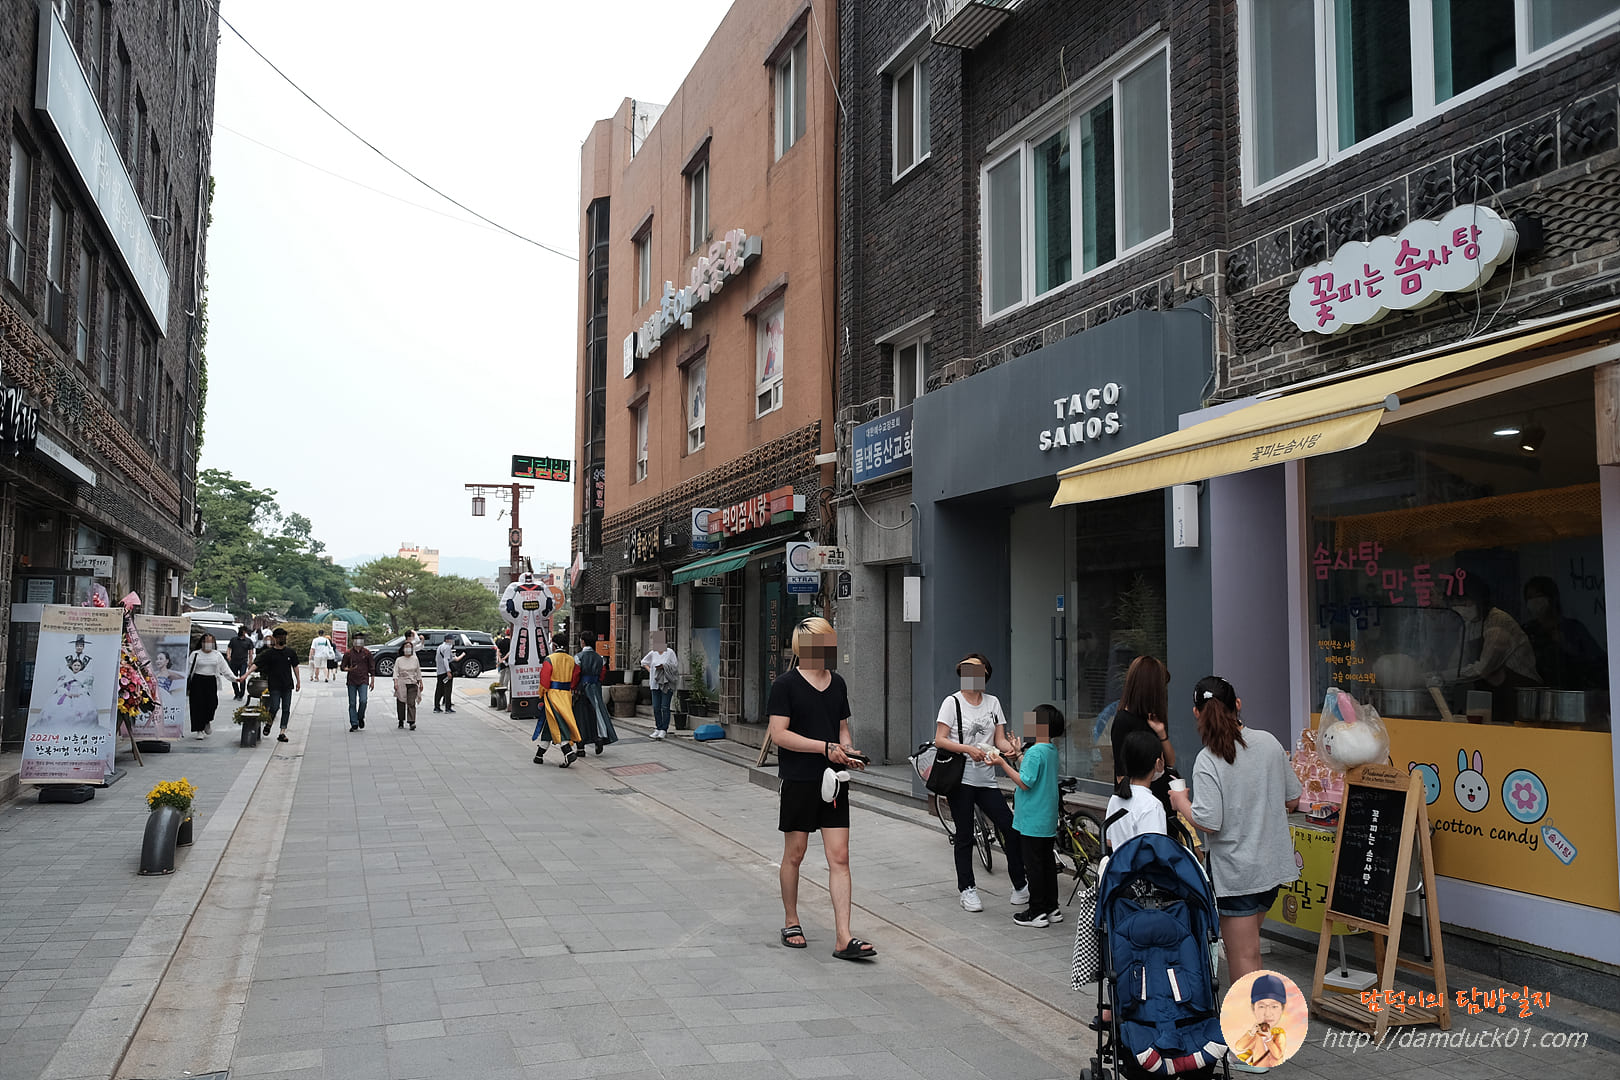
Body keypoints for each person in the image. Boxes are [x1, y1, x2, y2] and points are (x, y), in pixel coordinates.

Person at [1169, 677, 1300, 1015]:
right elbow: (1293, 799)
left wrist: (1181, 802)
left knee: (1245, 955)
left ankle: (1253, 1034)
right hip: (1271, 868)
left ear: (1196, 712)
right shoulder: (1269, 743)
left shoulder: (1208, 758)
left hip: (1237, 872)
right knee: (1249, 949)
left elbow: (1209, 821)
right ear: (1237, 704)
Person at [767, 617, 875, 960]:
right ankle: (791, 920)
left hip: (835, 782)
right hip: (799, 778)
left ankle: (843, 936)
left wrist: (849, 752)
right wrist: (824, 748)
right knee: (795, 854)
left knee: (840, 857)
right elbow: (779, 734)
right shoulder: (785, 685)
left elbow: (842, 729)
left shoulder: (838, 683)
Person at [933, 653, 1028, 913]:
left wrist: (1011, 750)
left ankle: (1020, 886)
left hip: (987, 779)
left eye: (977, 671)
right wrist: (967, 749)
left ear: (985, 674)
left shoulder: (993, 702)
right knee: (964, 835)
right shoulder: (952, 702)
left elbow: (999, 739)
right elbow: (940, 739)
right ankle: (967, 889)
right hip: (960, 779)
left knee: (1010, 828)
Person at [993, 704, 1064, 927]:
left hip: (1032, 818)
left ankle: (1036, 912)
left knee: (1033, 866)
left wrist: (1002, 762)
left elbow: (1025, 782)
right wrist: (1018, 755)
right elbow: (1032, 772)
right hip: (1047, 818)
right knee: (1047, 863)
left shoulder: (1035, 751)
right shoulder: (1050, 750)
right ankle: (1052, 908)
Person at [1441, 577, 1539, 722]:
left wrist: (1441, 676)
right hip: (1492, 696)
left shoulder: (1498, 622)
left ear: (1478, 599)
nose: (1459, 606)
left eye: (1464, 601)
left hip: (1520, 694)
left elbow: (1483, 669)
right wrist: (1440, 678)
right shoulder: (1468, 626)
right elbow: (1456, 664)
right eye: (1454, 602)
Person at [1522, 576, 1606, 691]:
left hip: (1570, 693)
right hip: (1537, 695)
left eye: (1538, 596)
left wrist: (1568, 647)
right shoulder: (1527, 631)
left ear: (1552, 598)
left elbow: (1598, 664)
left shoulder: (1573, 628)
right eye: (1529, 598)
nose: (1534, 602)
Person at [1110, 656, 1175, 804]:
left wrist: (1161, 733)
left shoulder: (1153, 717)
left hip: (1161, 796)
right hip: (1140, 801)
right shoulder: (1123, 720)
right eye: (1161, 687)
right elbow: (1121, 775)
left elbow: (1170, 761)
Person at [1106, 728, 1169, 851]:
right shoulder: (1151, 805)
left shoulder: (1115, 798)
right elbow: (1156, 850)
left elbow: (1109, 841)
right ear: (1158, 763)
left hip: (1120, 862)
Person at [532, 633, 585, 767]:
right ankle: (539, 754)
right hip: (566, 695)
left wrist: (541, 694)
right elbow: (575, 678)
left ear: (554, 645)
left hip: (552, 695)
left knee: (558, 722)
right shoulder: (571, 660)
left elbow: (544, 680)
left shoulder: (550, 659)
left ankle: (568, 752)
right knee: (552, 722)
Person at [245, 627, 301, 742]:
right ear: (274, 639)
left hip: (287, 685)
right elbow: (256, 664)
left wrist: (298, 681)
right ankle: (269, 724)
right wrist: (246, 674)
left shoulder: (290, 652)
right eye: (280, 637)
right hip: (274, 685)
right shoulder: (269, 653)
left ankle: (282, 732)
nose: (282, 639)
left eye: (284, 637)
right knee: (274, 707)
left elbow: (295, 666)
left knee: (286, 708)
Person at [1231, 973, 1291, 1069]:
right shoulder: (1257, 1034)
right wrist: (1251, 1033)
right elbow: (1239, 1047)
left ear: (1282, 1009)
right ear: (1253, 1008)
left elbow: (1277, 1055)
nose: (1267, 1013)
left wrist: (1269, 1039)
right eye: (1261, 1006)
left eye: (1274, 1006)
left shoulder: (1279, 1034)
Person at [184, 633, 238, 737]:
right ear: (202, 642)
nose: (209, 644)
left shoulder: (217, 655)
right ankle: (199, 729)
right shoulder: (195, 654)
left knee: (212, 704)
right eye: (206, 641)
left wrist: (234, 678)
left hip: (211, 681)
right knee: (198, 706)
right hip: (197, 681)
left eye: (211, 642)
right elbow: (188, 669)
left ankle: (207, 720)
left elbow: (225, 669)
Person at [574, 634, 617, 754]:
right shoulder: (600, 658)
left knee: (581, 717)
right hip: (595, 688)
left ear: (583, 642)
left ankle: (581, 747)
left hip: (582, 689)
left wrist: (573, 688)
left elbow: (575, 675)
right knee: (598, 714)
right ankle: (599, 738)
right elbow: (602, 674)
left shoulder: (578, 657)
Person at [641, 632, 678, 739]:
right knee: (656, 707)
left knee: (665, 707)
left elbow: (675, 666)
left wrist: (664, 666)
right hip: (655, 682)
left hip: (666, 683)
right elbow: (643, 662)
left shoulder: (669, 652)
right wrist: (651, 671)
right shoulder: (653, 653)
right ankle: (658, 727)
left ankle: (664, 729)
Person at [339, 632, 376, 732]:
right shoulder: (348, 653)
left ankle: (360, 717)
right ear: (353, 641)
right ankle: (354, 723)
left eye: (360, 639)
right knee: (352, 703)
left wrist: (372, 680)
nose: (358, 641)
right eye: (356, 639)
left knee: (363, 700)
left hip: (363, 679)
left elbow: (372, 667)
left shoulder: (367, 653)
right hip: (352, 680)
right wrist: (349, 669)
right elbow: (342, 667)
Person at [393, 635, 425, 730]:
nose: (408, 649)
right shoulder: (399, 660)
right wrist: (395, 682)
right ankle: (401, 720)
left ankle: (412, 721)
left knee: (411, 702)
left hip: (412, 682)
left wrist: (420, 682)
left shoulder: (415, 659)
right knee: (401, 701)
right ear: (403, 649)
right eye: (406, 647)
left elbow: (418, 671)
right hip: (402, 682)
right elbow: (395, 672)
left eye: (410, 647)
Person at [433, 634, 465, 713]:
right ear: (447, 640)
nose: (453, 641)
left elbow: (439, 659)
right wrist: (448, 671)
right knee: (447, 689)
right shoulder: (447, 647)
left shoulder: (440, 647)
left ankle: (436, 707)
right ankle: (448, 707)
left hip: (439, 671)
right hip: (445, 672)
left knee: (439, 689)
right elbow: (446, 660)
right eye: (452, 639)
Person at [226, 626, 253, 700]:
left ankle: (241, 694)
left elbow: (250, 653)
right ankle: (236, 693)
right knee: (233, 678)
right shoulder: (233, 640)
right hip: (234, 661)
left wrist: (250, 662)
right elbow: (229, 648)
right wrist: (228, 655)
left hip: (243, 662)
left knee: (242, 677)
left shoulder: (248, 641)